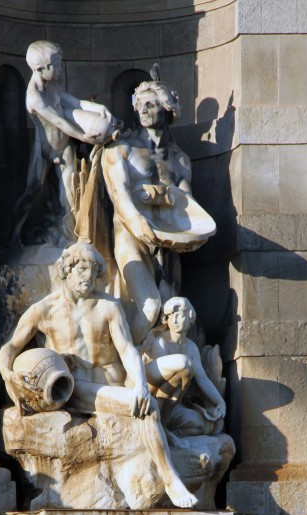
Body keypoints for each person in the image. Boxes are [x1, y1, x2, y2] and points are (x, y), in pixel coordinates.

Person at [0, 242, 198, 508]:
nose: (88, 277)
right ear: (66, 270)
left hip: (119, 382)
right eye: (81, 269)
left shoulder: (108, 306)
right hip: (80, 388)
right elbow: (10, 346)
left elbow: (127, 349)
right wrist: (7, 371)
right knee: (145, 409)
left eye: (93, 270)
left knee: (181, 365)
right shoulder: (44, 310)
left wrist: (139, 384)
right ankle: (170, 479)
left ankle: (160, 428)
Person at [102, 76, 212, 344]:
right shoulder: (122, 148)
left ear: (167, 108)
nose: (142, 110)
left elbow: (190, 207)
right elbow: (119, 194)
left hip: (169, 247)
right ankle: (125, 367)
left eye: (150, 104)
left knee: (168, 311)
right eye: (139, 104)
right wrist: (140, 223)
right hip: (131, 237)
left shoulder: (180, 159)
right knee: (150, 307)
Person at [10, 41, 120, 247]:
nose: (61, 70)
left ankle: (67, 238)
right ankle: (14, 234)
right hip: (43, 152)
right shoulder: (34, 96)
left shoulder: (53, 87)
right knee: (32, 192)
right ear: (40, 69)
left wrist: (99, 108)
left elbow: (75, 103)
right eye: (57, 66)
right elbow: (59, 121)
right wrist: (85, 137)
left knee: (69, 194)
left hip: (64, 147)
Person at [141, 297, 226, 447]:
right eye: (170, 316)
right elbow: (164, 382)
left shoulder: (191, 347)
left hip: (174, 406)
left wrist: (220, 401)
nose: (174, 320)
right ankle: (162, 428)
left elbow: (202, 379)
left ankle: (169, 431)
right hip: (157, 401)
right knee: (184, 364)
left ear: (190, 318)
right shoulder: (160, 342)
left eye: (179, 315)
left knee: (206, 425)